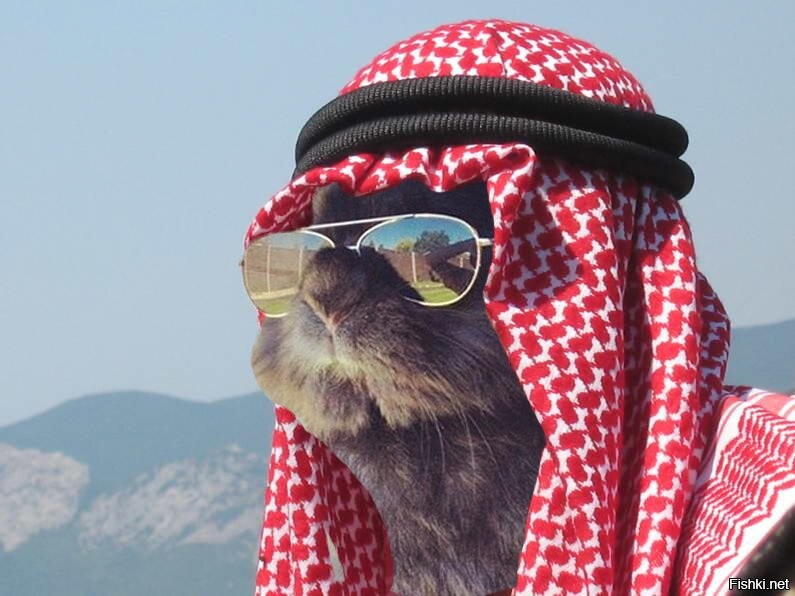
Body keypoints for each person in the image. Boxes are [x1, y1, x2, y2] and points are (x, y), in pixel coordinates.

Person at [244, 19, 795, 595]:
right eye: (316, 248)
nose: (325, 286)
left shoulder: (763, 516)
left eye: (429, 250)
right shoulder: (348, 536)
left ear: (592, 255)